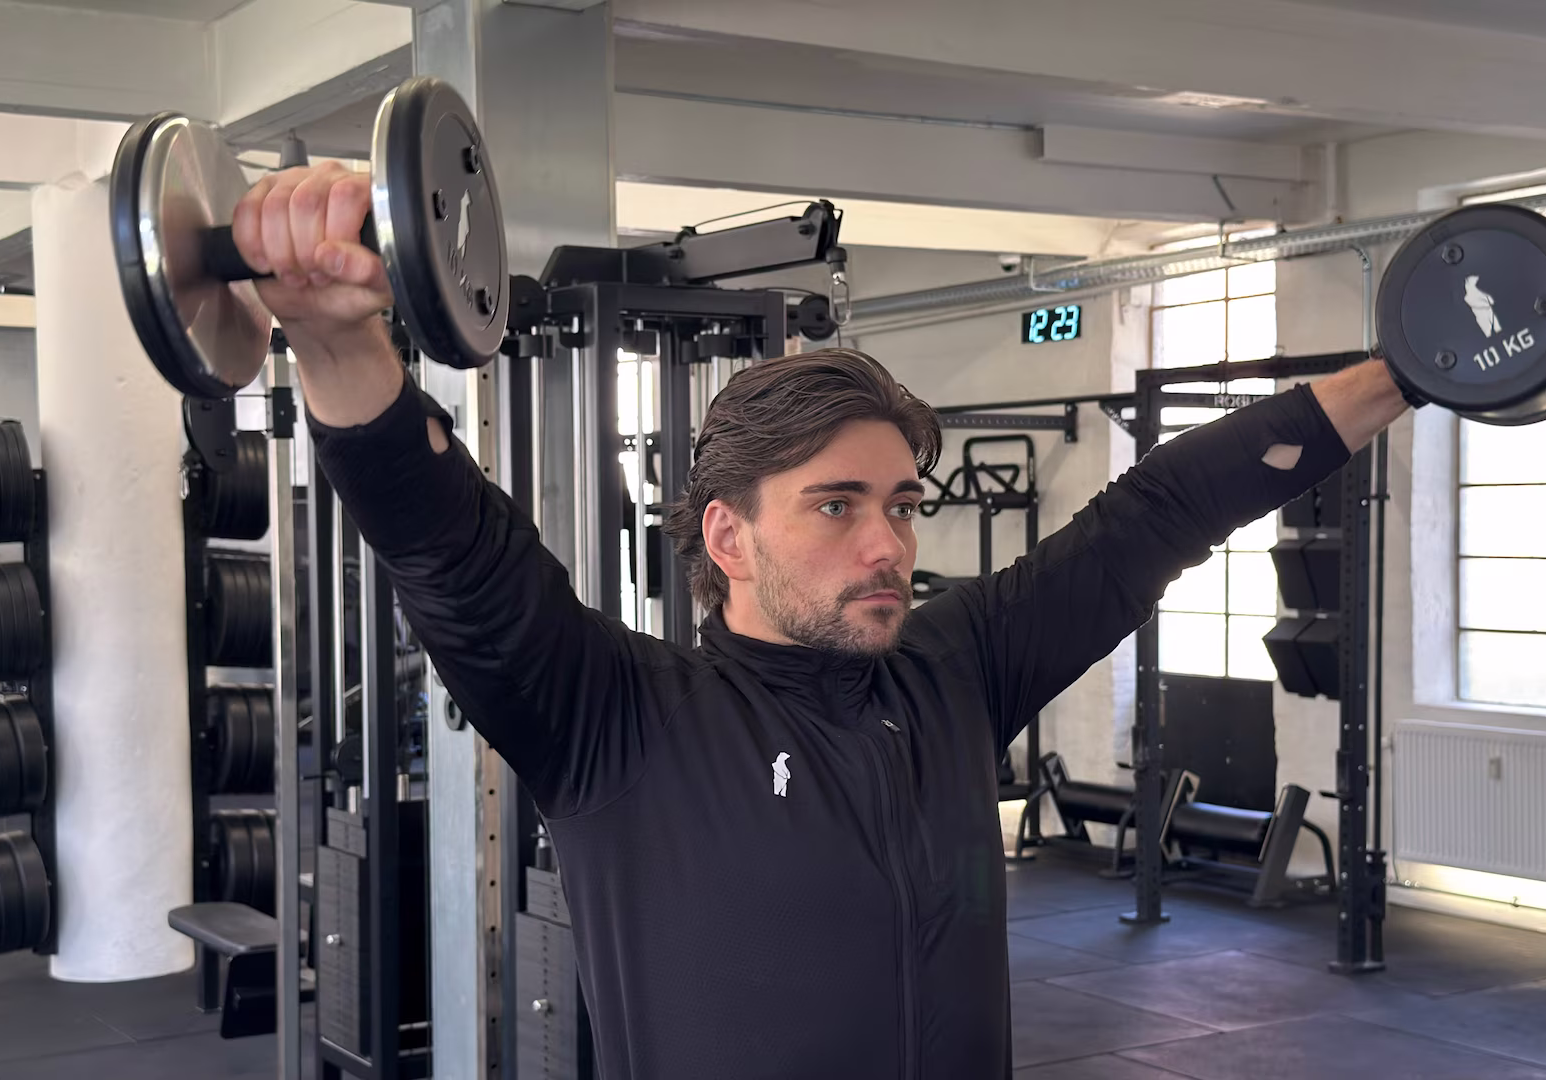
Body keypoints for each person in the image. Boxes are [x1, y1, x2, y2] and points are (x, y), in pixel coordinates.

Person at [232, 161, 1410, 1080]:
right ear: (726, 536)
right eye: (836, 507)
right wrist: (340, 339)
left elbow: (1159, 511)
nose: (889, 543)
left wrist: (1405, 371)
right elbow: (446, 542)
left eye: (901, 505)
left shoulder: (956, 670)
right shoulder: (616, 717)